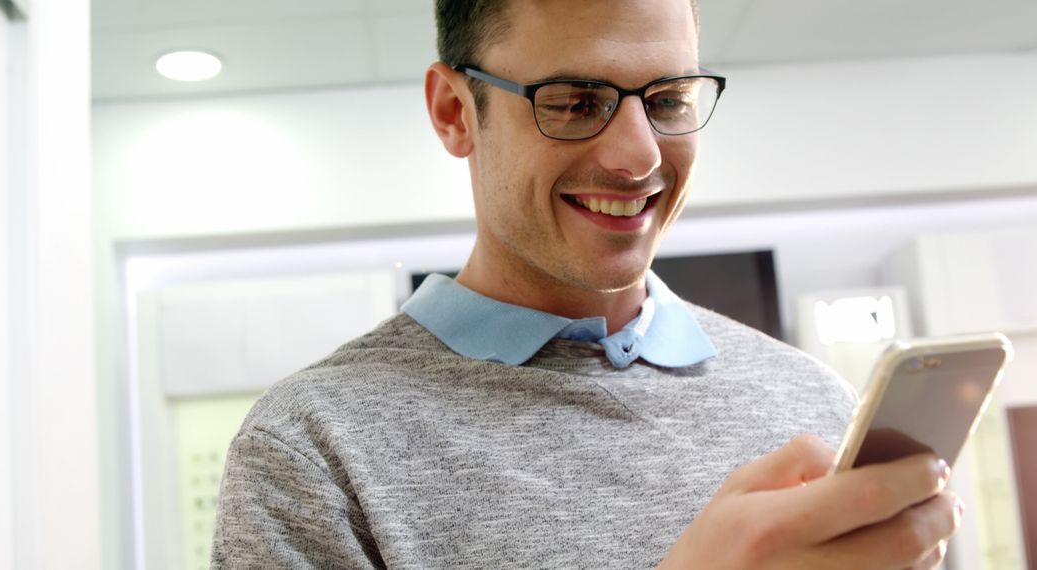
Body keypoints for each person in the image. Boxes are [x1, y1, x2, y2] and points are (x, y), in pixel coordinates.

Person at [211, 0, 963, 568]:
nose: (639, 157)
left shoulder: (812, 402)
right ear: (454, 113)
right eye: (575, 102)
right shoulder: (312, 450)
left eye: (668, 100)